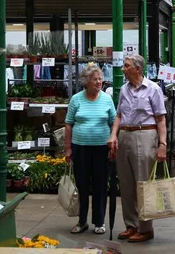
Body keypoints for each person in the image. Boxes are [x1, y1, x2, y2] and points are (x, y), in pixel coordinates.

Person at [107, 55, 167, 243]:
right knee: (126, 184)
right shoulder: (124, 89)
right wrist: (113, 135)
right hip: (125, 135)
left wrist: (162, 145)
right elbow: (118, 115)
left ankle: (145, 228)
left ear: (138, 69)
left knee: (143, 183)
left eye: (126, 66)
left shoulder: (153, 89)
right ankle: (131, 225)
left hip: (145, 135)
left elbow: (160, 119)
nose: (123, 69)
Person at [65, 65, 116, 235]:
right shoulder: (76, 99)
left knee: (100, 185)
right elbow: (68, 124)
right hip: (80, 148)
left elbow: (113, 122)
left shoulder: (107, 99)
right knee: (82, 185)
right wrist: (67, 148)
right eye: (95, 79)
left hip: (102, 148)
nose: (99, 82)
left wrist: (113, 142)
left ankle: (99, 222)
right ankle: (82, 221)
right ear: (86, 82)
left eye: (100, 79)